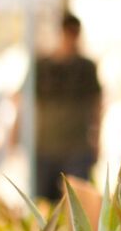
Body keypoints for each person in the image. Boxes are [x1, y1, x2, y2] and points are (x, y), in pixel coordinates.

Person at [33, 13, 102, 201]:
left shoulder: (86, 67)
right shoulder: (42, 66)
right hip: (45, 146)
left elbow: (97, 104)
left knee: (77, 203)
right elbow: (26, 100)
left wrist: (97, 139)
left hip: (77, 147)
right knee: (43, 202)